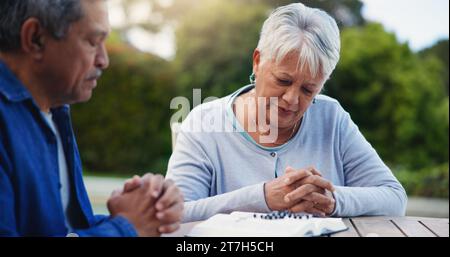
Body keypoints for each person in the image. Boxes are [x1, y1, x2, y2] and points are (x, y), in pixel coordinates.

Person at [166, 3, 407, 222]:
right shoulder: (203, 122)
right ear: (257, 62)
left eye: (308, 89)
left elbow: (395, 198)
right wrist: (262, 197)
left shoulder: (332, 118)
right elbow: (175, 212)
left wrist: (332, 200)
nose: (292, 99)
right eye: (283, 80)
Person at [0, 0, 183, 236]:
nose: (103, 60)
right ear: (36, 38)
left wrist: (144, 209)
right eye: (93, 42)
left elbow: (63, 230)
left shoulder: (54, 113)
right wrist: (127, 227)